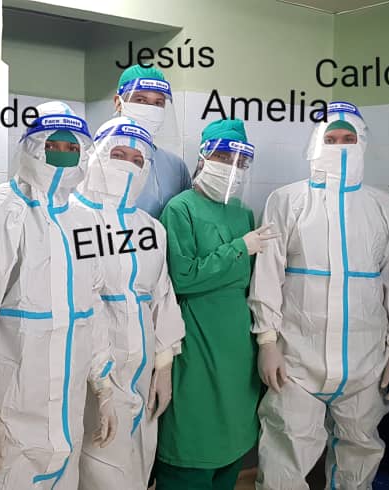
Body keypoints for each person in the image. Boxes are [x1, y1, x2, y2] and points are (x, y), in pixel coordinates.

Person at [0, 101, 119, 490]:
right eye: (55, 145)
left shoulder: (87, 220)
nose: (64, 157)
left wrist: (104, 384)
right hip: (5, 416)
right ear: (33, 146)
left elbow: (93, 310)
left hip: (62, 424)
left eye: (73, 149)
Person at [248, 101, 389, 490]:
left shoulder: (384, 208)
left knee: (359, 456)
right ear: (314, 144)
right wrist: (268, 341)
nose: (339, 146)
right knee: (282, 463)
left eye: (348, 138)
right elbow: (268, 276)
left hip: (365, 364)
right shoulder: (286, 201)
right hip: (296, 362)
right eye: (331, 138)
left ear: (362, 145)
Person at [155, 119, 275, 490]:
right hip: (196, 340)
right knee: (191, 443)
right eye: (224, 155)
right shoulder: (180, 209)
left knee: (234, 443)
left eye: (241, 160)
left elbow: (255, 281)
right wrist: (240, 248)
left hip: (237, 344)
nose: (232, 166)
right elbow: (184, 277)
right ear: (204, 156)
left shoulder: (243, 213)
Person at [73, 116, 186, 489]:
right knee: (98, 472)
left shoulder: (150, 229)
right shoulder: (69, 218)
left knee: (138, 466)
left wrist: (165, 365)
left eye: (137, 161)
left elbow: (162, 295)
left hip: (142, 371)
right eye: (117, 154)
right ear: (94, 157)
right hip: (90, 375)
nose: (127, 165)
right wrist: (100, 381)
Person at [112, 65, 191, 218]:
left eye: (158, 103)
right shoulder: (94, 160)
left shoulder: (176, 167)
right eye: (140, 100)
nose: (150, 110)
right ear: (118, 102)